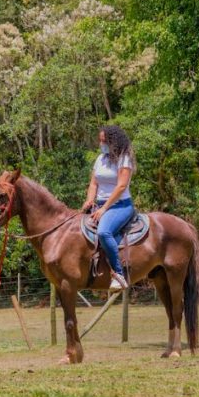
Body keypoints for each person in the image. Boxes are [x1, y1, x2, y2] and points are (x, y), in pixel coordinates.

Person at [81, 125, 136, 291]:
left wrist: (104, 209)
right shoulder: (100, 159)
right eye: (100, 140)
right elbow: (93, 183)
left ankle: (119, 275)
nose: (101, 143)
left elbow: (121, 187)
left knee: (104, 232)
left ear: (114, 141)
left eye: (104, 141)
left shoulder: (124, 159)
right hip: (99, 204)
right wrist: (89, 200)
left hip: (121, 205)